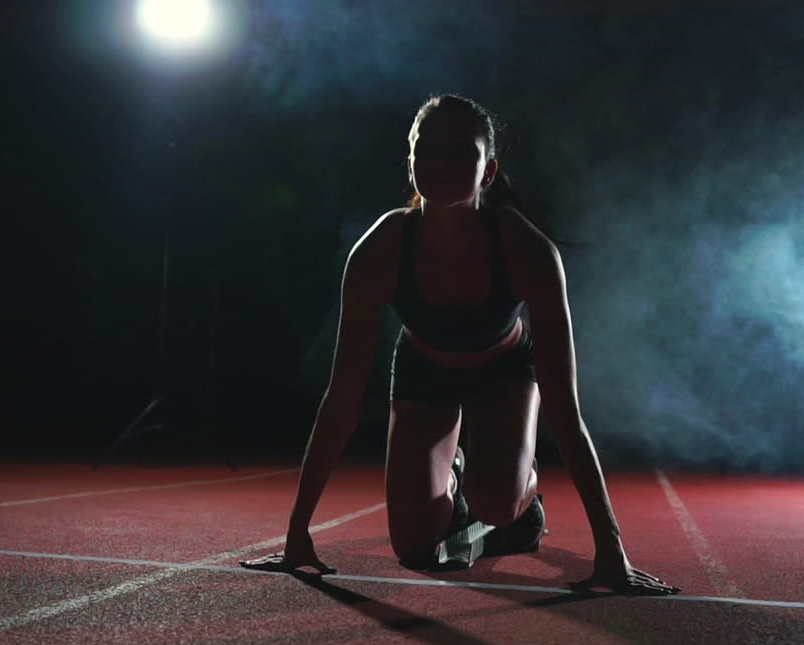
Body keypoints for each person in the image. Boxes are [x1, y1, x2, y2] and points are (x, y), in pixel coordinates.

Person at [242, 94, 679, 595]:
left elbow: (565, 408)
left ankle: (520, 494)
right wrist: (297, 534)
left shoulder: (527, 249)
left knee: (496, 501)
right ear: (409, 162)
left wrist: (611, 549)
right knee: (414, 549)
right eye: (427, 150)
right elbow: (342, 395)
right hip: (423, 372)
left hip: (504, 374)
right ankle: (463, 472)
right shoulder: (380, 250)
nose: (442, 163)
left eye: (460, 153)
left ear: (488, 171)